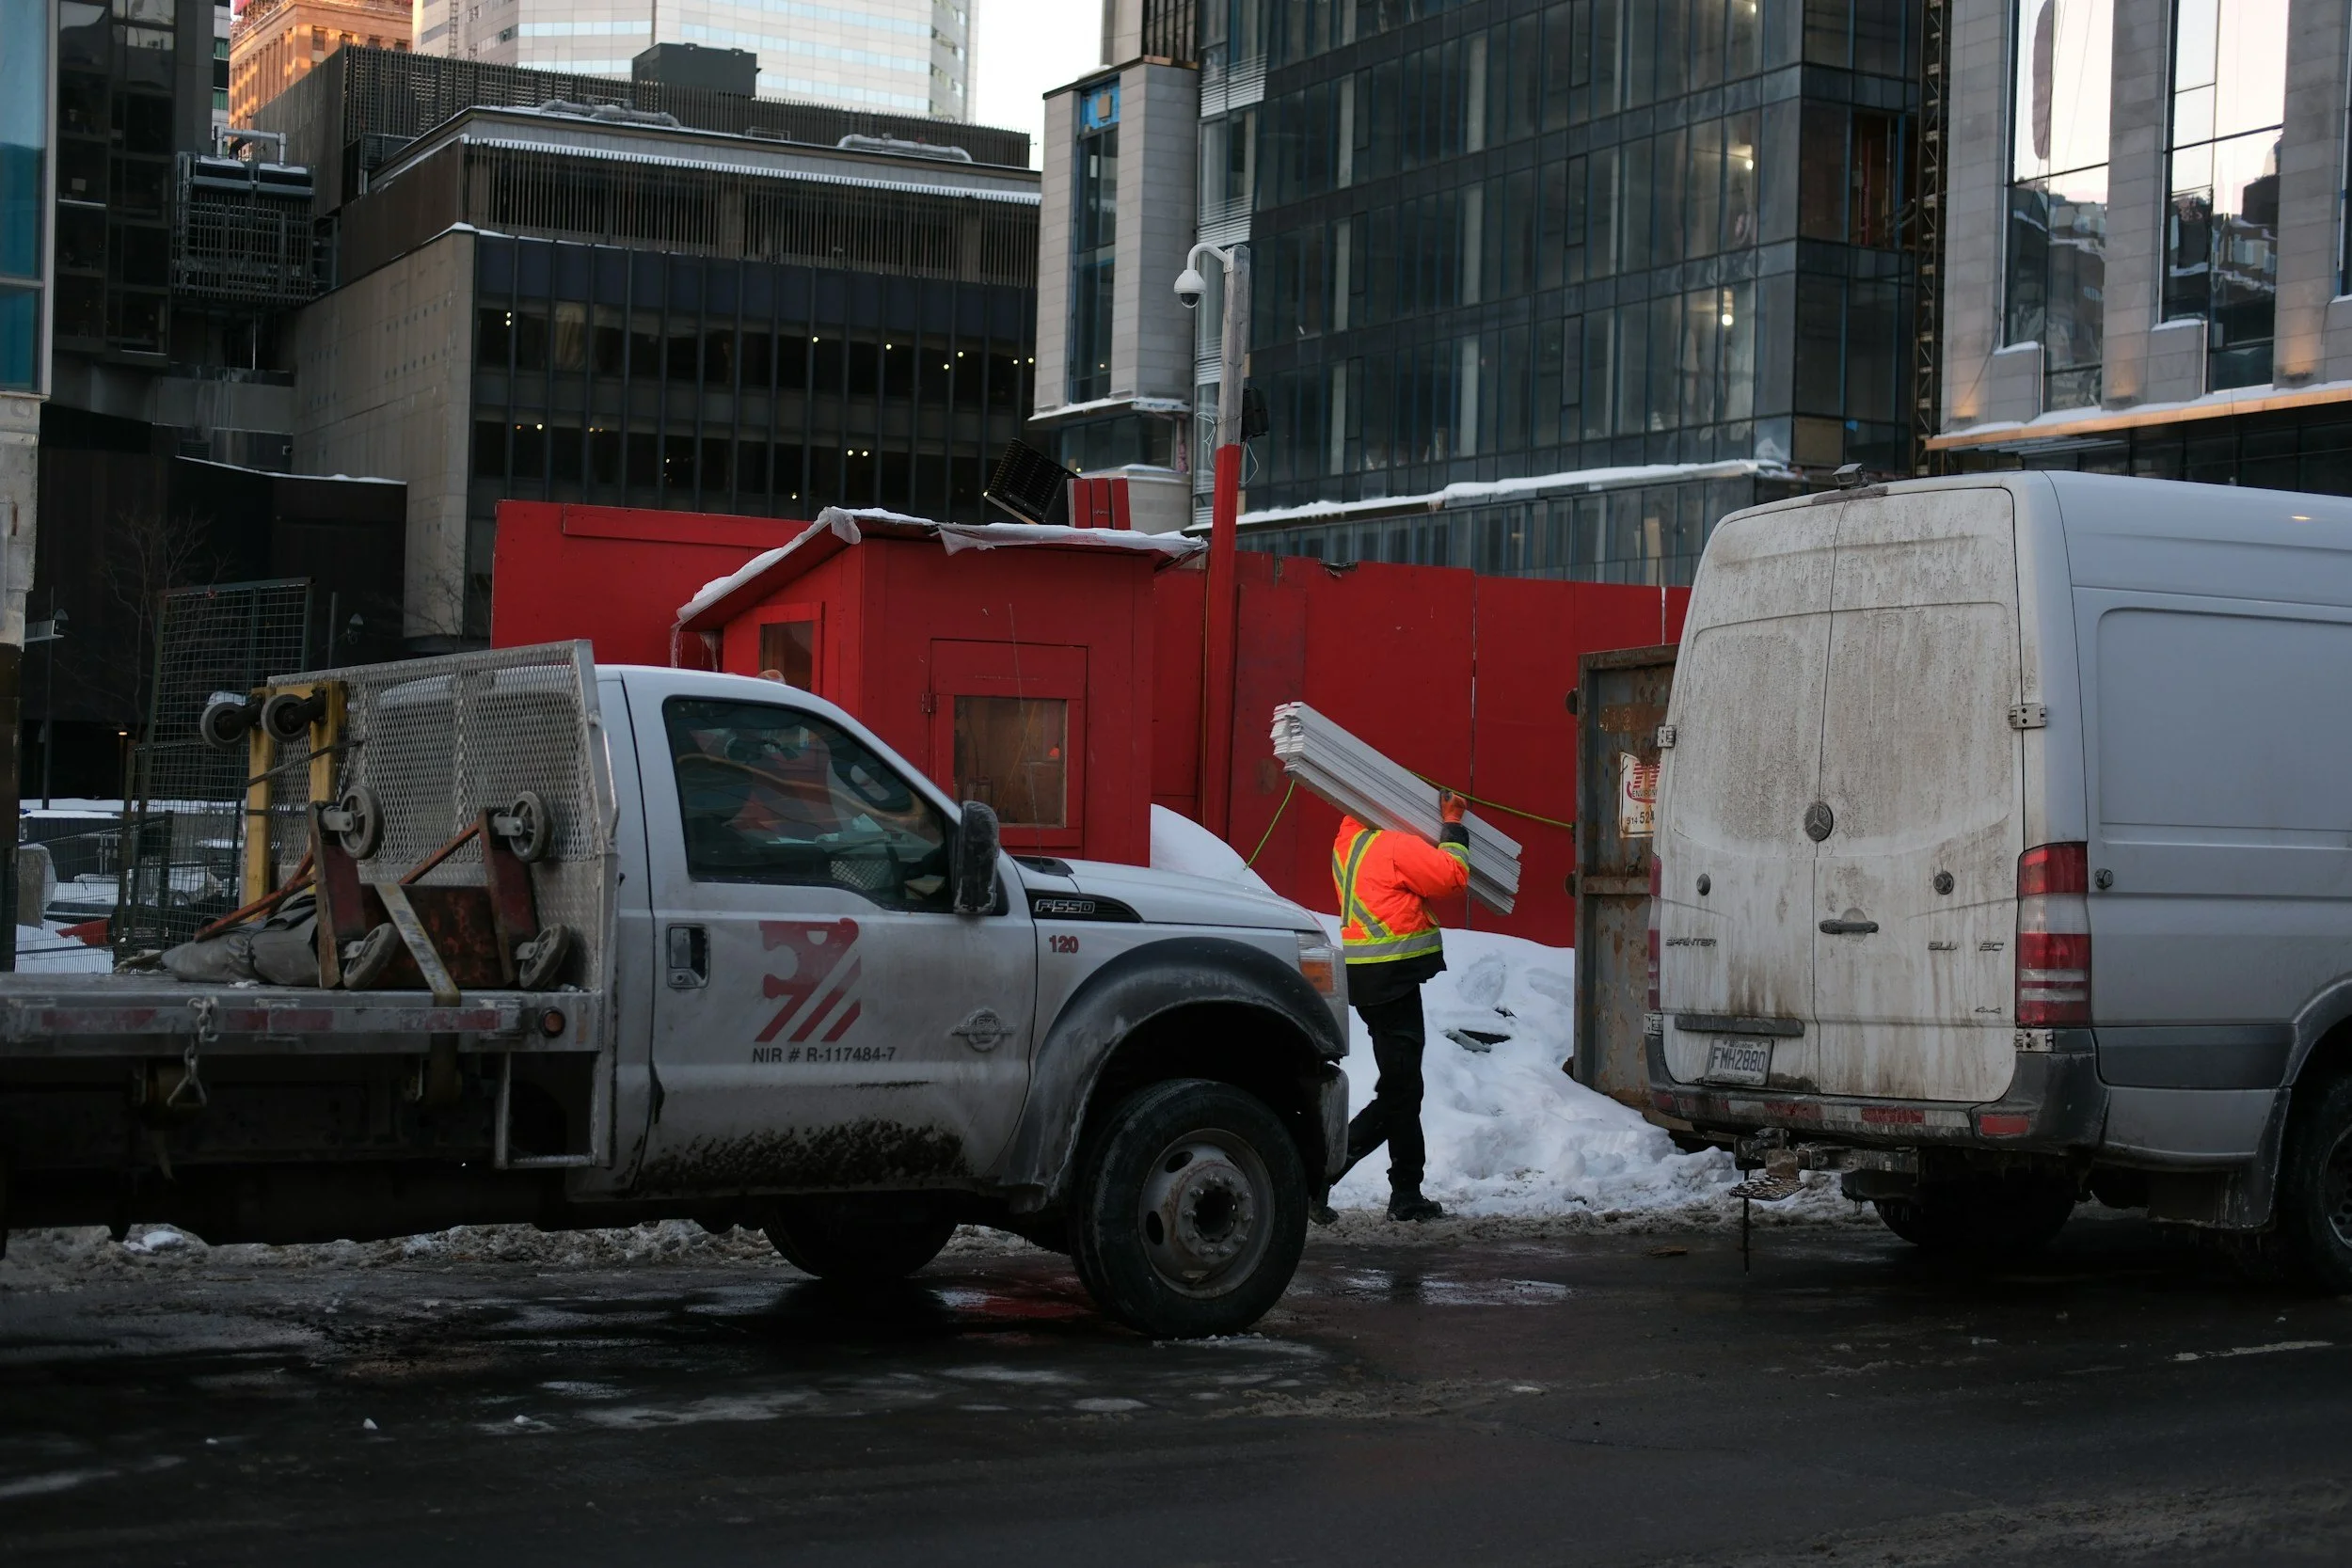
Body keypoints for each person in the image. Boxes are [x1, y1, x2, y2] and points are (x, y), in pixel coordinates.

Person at [1322, 790, 1471, 1223]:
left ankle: (1406, 1191)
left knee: (1402, 1088)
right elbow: (1451, 877)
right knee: (1400, 1093)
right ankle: (1319, 1177)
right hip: (1393, 980)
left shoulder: (1348, 844)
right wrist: (1454, 825)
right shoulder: (1390, 845)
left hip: (1370, 979)